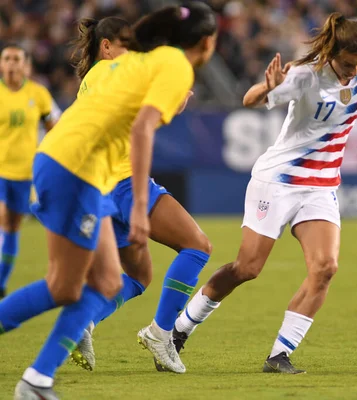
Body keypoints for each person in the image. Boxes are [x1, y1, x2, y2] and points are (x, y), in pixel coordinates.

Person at [170, 12, 357, 374]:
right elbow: (248, 100)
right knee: (247, 268)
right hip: (277, 181)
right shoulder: (305, 75)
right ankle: (180, 329)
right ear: (331, 52)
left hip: (321, 186)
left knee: (325, 267)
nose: (354, 72)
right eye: (347, 64)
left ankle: (279, 356)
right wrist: (268, 86)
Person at [0, 3, 217, 398]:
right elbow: (141, 129)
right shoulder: (170, 64)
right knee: (67, 285)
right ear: (207, 41)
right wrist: (137, 205)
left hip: (80, 167)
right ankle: (45, 376)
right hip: (82, 169)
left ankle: (37, 381)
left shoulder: (133, 64)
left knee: (105, 282)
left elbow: (129, 112)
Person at [67, 15, 212, 375]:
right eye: (125, 45)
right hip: (124, 180)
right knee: (197, 247)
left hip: (98, 183)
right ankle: (161, 334)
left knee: (138, 274)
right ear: (106, 46)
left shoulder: (90, 81)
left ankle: (85, 320)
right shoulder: (107, 73)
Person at [0, 44, 58, 299]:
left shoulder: (39, 94)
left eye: (17, 59)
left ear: (26, 65)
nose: (12, 63)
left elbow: (54, 125)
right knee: (2, 217)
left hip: (25, 174)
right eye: (7, 58)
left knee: (13, 226)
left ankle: (2, 281)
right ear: (1, 64)